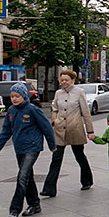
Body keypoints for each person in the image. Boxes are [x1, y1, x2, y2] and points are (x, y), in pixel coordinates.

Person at [0, 82, 57, 217]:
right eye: (12, 96)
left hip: (32, 148)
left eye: (17, 96)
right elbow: (6, 130)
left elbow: (46, 128)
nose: (14, 99)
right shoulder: (11, 111)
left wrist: (52, 145)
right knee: (28, 176)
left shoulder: (32, 110)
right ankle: (34, 204)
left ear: (23, 96)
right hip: (19, 148)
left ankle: (14, 210)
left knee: (22, 177)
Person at [41, 69, 95, 197]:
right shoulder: (58, 93)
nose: (64, 82)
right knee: (56, 158)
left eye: (66, 80)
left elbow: (85, 113)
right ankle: (49, 189)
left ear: (72, 80)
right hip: (59, 131)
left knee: (80, 156)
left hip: (74, 129)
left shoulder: (79, 92)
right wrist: (54, 121)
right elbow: (54, 109)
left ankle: (87, 180)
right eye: (62, 80)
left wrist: (90, 130)